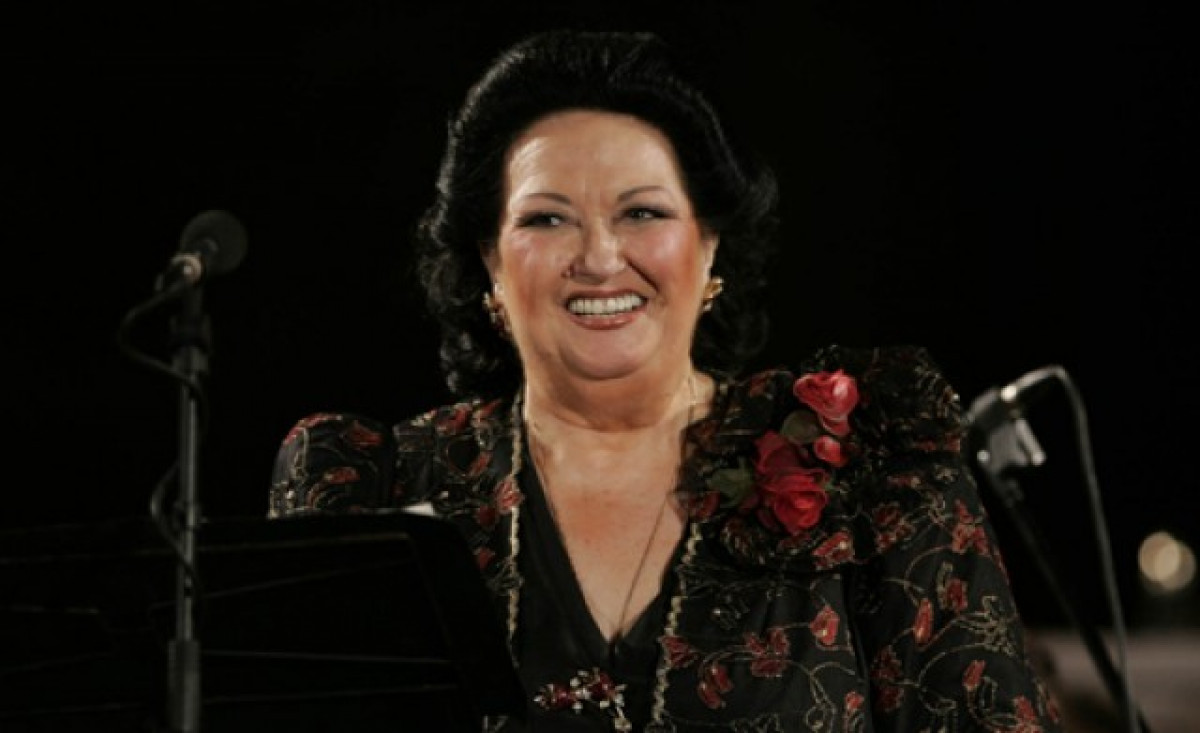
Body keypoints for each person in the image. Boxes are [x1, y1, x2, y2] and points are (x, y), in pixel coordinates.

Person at [268, 29, 1063, 731]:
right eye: (546, 218)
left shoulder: (872, 470)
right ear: (490, 261)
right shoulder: (379, 487)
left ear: (710, 243)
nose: (599, 257)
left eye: (642, 212)